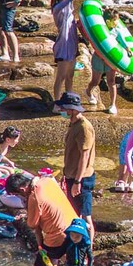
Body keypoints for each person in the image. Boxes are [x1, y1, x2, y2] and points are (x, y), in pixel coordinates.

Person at [5, 172, 78, 266]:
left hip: (58, 234)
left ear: (22, 190)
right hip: (73, 225)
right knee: (70, 262)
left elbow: (32, 224)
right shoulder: (46, 181)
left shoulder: (34, 197)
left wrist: (27, 210)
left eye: (17, 195)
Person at [56, 92, 96, 242]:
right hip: (72, 175)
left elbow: (84, 156)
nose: (61, 111)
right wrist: (65, 175)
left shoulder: (84, 127)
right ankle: (75, 244)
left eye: (63, 108)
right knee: (73, 213)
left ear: (72, 109)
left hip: (82, 178)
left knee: (86, 216)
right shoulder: (73, 124)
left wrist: (78, 181)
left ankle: (89, 248)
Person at [85, 7, 127, 115]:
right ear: (108, 21)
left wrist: (128, 50)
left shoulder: (117, 31)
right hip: (99, 58)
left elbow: (123, 42)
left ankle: (113, 104)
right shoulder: (101, 30)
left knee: (111, 82)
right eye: (115, 20)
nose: (117, 22)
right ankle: (88, 92)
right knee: (95, 81)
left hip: (111, 60)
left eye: (117, 19)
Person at [51, 0, 79, 101]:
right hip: (63, 46)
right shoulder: (57, 8)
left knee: (70, 76)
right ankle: (57, 102)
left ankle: (69, 98)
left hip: (72, 45)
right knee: (61, 76)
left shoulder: (69, 8)